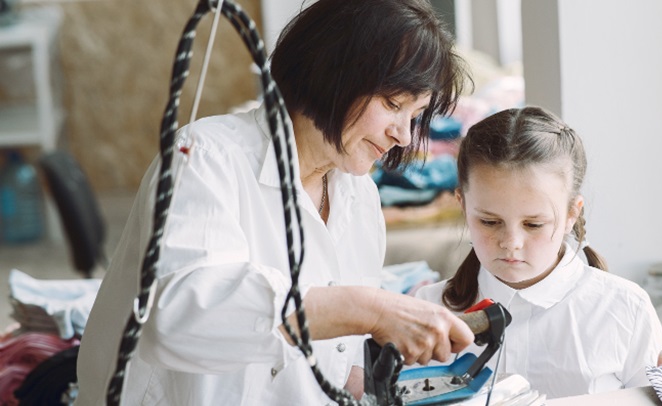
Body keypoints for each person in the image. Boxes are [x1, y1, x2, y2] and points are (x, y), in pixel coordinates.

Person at [76, 0, 475, 404]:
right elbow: (181, 319)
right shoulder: (206, 158)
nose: (404, 136)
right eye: (393, 104)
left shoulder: (360, 198)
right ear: (331, 71)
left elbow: (339, 366)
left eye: (415, 114)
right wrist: (368, 309)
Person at [414, 106, 662, 399]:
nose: (511, 242)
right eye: (490, 222)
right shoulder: (425, 311)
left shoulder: (625, 309)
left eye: (534, 224)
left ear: (572, 214)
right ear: (463, 205)